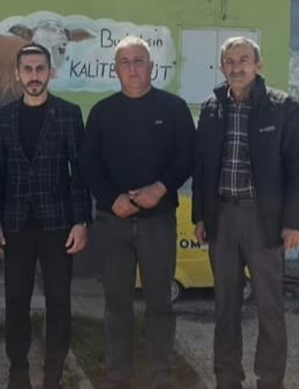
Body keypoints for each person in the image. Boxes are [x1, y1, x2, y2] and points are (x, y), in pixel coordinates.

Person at [192, 36, 299, 389]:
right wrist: (200, 216)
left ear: (258, 65)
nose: (236, 67)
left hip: (264, 221)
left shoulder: (282, 107)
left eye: (244, 59)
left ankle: (270, 380)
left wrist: (294, 222)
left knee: (269, 307)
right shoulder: (212, 108)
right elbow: (202, 167)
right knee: (225, 306)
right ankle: (227, 379)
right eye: (229, 62)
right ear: (221, 68)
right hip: (223, 219)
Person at [81, 36, 196, 389]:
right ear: (115, 70)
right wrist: (110, 197)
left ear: (151, 67)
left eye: (139, 61)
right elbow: (88, 163)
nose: (132, 68)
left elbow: (188, 156)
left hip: (157, 222)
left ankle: (163, 374)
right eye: (125, 62)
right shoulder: (102, 112)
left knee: (160, 302)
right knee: (117, 304)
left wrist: (160, 188)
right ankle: (118, 374)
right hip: (112, 223)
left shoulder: (173, 108)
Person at [0, 44, 90, 389]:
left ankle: (53, 372)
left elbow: (79, 172)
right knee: (16, 301)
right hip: (16, 225)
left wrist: (81, 221)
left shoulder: (68, 113)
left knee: (59, 302)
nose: (34, 76)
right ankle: (18, 371)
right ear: (17, 74)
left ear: (51, 72)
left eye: (40, 69)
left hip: (58, 225)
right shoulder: (3, 117)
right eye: (28, 69)